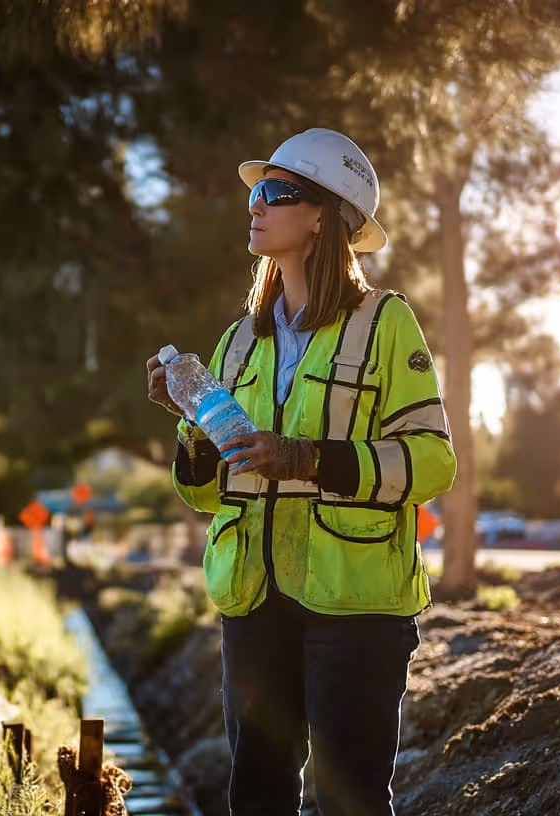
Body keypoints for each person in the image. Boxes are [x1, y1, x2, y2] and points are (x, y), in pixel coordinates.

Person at [145, 128, 457, 816]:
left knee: (348, 800)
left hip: (355, 604)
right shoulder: (235, 341)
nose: (253, 205)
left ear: (324, 213)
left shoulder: (385, 323)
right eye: (255, 192)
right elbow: (203, 492)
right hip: (256, 602)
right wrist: (189, 424)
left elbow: (432, 462)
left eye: (273, 193)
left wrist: (309, 459)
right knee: (255, 794)